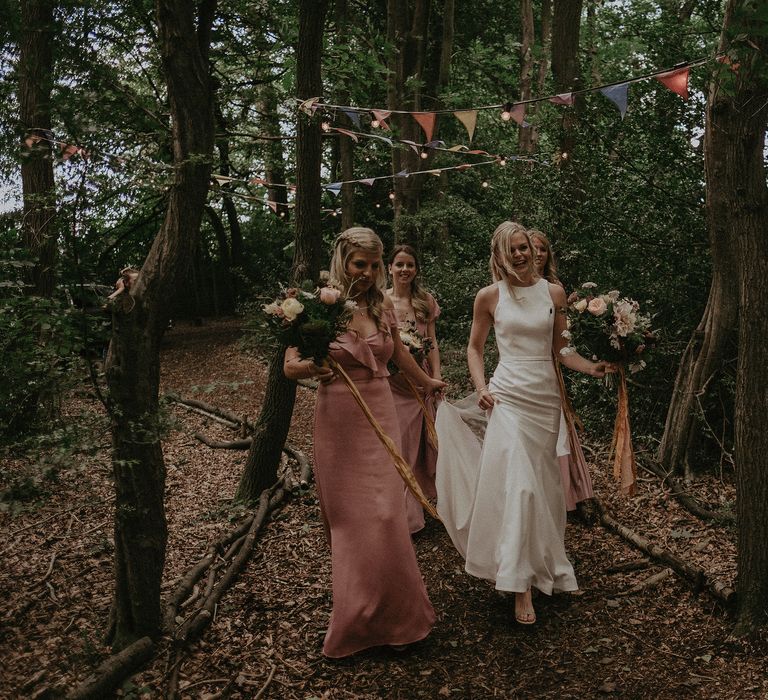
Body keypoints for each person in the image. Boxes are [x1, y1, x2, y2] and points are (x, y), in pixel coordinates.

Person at [435, 221, 611, 625]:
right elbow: (475, 348)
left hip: (544, 400)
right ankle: (519, 585)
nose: (520, 254)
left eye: (523, 248)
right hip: (508, 396)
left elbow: (562, 351)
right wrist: (480, 387)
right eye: (511, 249)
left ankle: (550, 564)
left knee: (546, 489)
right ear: (499, 255)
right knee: (520, 486)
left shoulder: (553, 293)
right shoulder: (489, 296)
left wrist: (592, 367)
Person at [283, 227, 445, 658]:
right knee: (353, 522)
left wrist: (427, 380)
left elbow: (396, 354)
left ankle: (400, 620)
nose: (370, 273)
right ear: (343, 262)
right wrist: (311, 370)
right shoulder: (317, 307)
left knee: (389, 514)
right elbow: (290, 366)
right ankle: (357, 622)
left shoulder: (382, 304)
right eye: (361, 264)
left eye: (375, 265)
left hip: (380, 412)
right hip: (338, 418)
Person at [528, 229, 594, 511]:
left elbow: (564, 340)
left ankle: (567, 491)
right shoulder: (504, 290)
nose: (538, 253)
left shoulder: (555, 288)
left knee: (559, 428)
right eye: (534, 248)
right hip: (521, 369)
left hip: (551, 366)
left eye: (543, 249)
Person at [386, 244, 442, 534]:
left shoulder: (425, 301)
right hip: (393, 385)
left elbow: (431, 341)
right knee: (402, 446)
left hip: (424, 383)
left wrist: (437, 375)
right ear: (390, 268)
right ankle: (405, 519)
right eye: (400, 264)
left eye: (410, 264)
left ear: (416, 269)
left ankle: (424, 503)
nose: (405, 269)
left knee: (425, 446)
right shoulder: (381, 302)